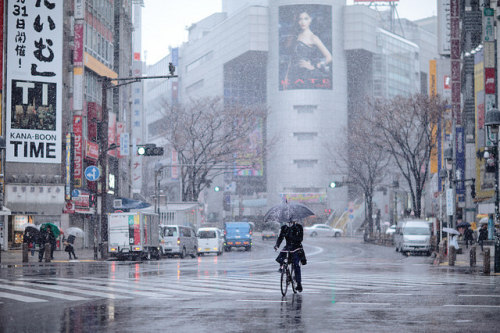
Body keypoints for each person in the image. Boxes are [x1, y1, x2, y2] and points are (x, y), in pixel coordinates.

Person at [283, 9, 332, 90]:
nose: (303, 22)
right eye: (300, 19)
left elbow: (329, 57)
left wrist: (314, 66)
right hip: (293, 75)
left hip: (306, 75)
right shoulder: (297, 35)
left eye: (306, 19)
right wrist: (286, 77)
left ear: (310, 20)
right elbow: (292, 59)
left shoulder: (313, 38)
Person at [274, 218, 306, 292]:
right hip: (288, 247)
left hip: (296, 247)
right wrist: (277, 245)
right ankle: (283, 268)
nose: (290, 222)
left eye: (292, 221)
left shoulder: (298, 227)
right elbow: (281, 237)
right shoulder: (284, 228)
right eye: (289, 221)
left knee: (296, 264)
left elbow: (300, 239)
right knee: (281, 258)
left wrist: (293, 237)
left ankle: (298, 283)